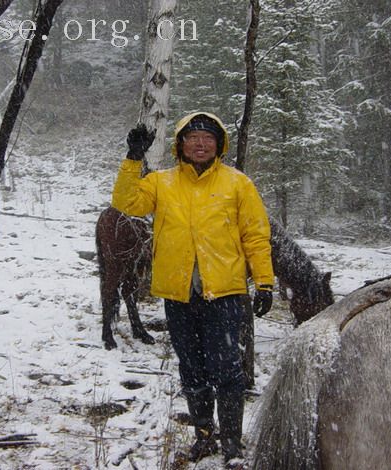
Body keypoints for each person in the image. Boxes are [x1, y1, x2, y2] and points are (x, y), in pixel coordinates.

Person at [111, 112, 274, 468]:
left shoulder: (237, 184)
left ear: (219, 145)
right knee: (192, 368)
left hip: (226, 293)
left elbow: (256, 235)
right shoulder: (161, 183)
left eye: (208, 139)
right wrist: (133, 159)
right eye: (193, 137)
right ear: (180, 144)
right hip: (179, 294)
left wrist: (263, 281)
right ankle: (204, 436)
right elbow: (126, 204)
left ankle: (232, 444)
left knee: (228, 369)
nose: (200, 144)